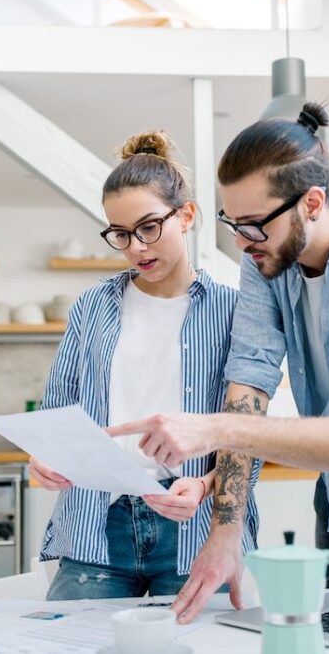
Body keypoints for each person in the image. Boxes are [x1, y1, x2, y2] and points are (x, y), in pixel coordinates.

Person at [109, 103, 329, 622]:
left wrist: (213, 430)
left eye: (252, 225)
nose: (240, 241)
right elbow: (249, 378)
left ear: (312, 203)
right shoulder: (268, 260)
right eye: (232, 222)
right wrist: (225, 533)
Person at [30, 130, 260, 600]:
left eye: (149, 226)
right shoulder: (92, 306)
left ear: (188, 216)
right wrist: (42, 457)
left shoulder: (233, 311)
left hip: (193, 527)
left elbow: (247, 434)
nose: (136, 246)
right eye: (120, 234)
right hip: (96, 526)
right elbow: (56, 417)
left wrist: (204, 484)